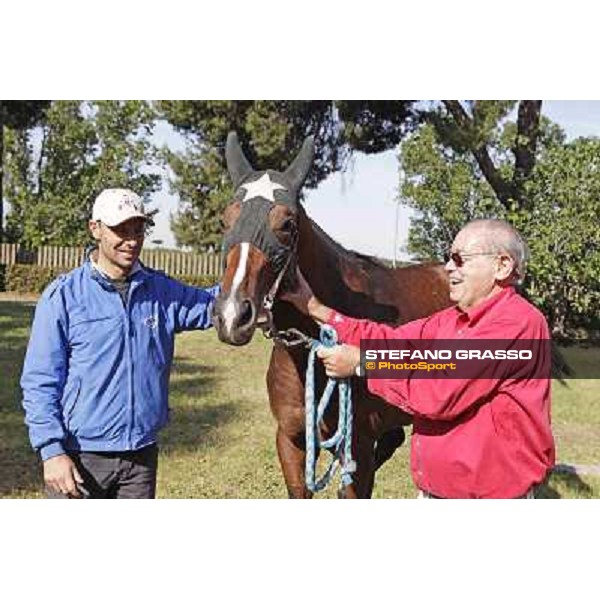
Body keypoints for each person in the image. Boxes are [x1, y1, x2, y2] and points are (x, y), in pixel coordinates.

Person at [282, 219, 555, 499]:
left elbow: (440, 389)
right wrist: (317, 309)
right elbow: (388, 340)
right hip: (437, 493)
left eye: (460, 259)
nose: (448, 267)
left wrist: (362, 364)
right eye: (449, 258)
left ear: (502, 266)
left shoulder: (518, 324)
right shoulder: (451, 320)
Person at [21, 188, 220, 499]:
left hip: (140, 457)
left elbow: (215, 304)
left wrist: (257, 278)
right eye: (120, 229)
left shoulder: (161, 291)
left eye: (137, 229)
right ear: (95, 229)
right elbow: (39, 382)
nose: (131, 240)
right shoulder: (63, 296)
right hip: (78, 457)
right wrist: (51, 451)